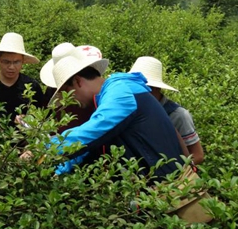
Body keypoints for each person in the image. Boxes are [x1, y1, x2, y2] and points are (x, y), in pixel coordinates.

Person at [39, 47, 184, 180]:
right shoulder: (109, 97)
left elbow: (94, 129)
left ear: (78, 81)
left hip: (177, 195)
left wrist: (44, 149)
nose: (70, 100)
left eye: (67, 93)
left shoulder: (120, 90)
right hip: (160, 193)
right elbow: (94, 144)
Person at [129, 56, 204, 165]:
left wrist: (174, 171)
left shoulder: (178, 115)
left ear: (156, 88)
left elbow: (198, 155)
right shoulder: (130, 108)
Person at [0, 32, 50, 126]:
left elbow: (43, 115)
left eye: (16, 62)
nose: (11, 67)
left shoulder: (31, 85)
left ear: (23, 61)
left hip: (23, 139)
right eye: (6, 62)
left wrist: (29, 119)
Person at [41, 43, 107, 132]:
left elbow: (97, 131)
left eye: (66, 92)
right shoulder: (101, 95)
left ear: (77, 81)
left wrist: (54, 142)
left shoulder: (113, 97)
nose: (68, 99)